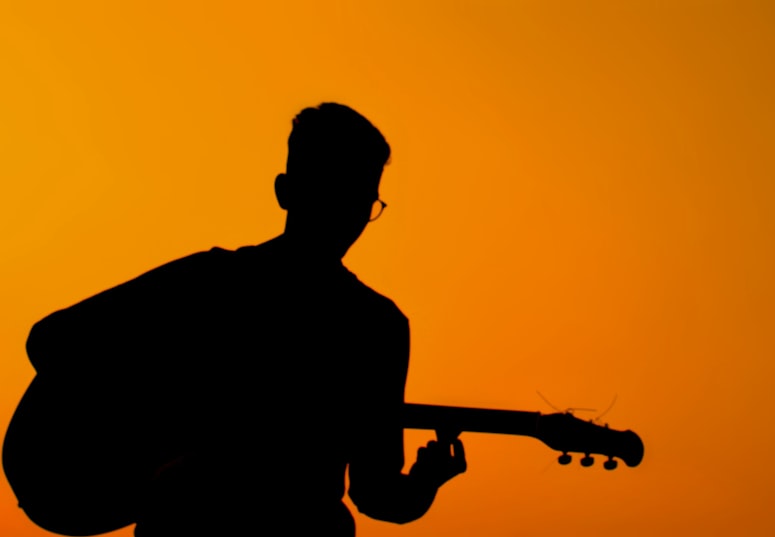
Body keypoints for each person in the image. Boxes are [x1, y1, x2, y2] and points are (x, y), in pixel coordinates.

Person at [8, 103, 466, 537]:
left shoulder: (372, 327)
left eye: (359, 202)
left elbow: (378, 495)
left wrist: (425, 480)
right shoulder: (218, 284)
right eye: (335, 194)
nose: (348, 219)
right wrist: (165, 405)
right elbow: (50, 340)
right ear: (288, 192)